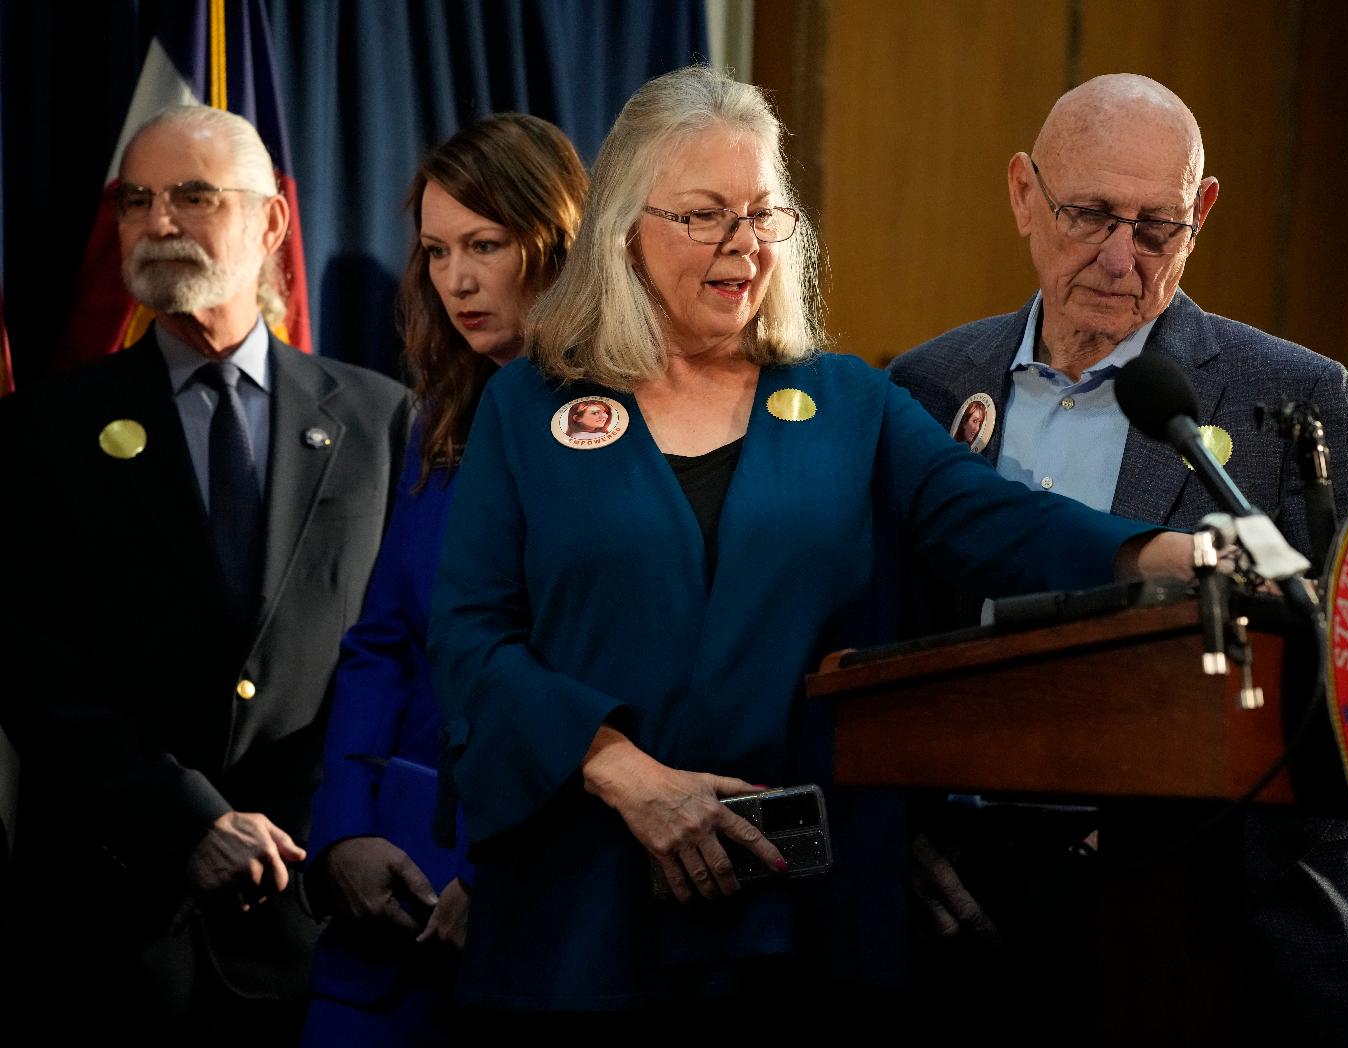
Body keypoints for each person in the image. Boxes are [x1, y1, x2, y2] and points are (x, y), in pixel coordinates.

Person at [426, 65, 1200, 1021]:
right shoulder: (526, 406)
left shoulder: (849, 404)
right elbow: (468, 639)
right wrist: (620, 770)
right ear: (627, 227)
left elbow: (999, 522)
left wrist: (1170, 560)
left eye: (762, 214)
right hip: (578, 920)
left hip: (799, 933)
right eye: (705, 215)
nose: (742, 247)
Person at [889, 73, 1348, 1044]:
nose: (1122, 259)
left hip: (1218, 915)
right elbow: (882, 635)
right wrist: (896, 837)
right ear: (1023, 195)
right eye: (1089, 216)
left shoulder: (1291, 398)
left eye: (1157, 226)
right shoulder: (929, 385)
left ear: (1202, 212)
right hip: (978, 909)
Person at [0, 106, 409, 1033]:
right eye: (136, 201)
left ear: (270, 224)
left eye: (193, 195)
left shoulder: (382, 422)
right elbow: (31, 667)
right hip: (107, 935)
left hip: (316, 923)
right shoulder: (42, 431)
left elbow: (392, 655)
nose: (159, 223)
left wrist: (328, 824)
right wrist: (183, 822)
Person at [298, 115, 587, 1042]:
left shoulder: (628, 427)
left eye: (484, 245)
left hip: (544, 902)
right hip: (383, 903)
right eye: (435, 251)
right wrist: (343, 826)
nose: (456, 279)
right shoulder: (437, 421)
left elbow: (613, 676)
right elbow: (381, 642)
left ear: (555, 238)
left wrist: (498, 871)